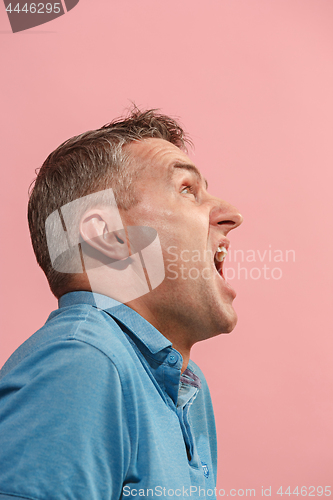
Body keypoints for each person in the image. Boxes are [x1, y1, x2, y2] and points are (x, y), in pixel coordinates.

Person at [0, 108, 242, 500]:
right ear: (107, 236)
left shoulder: (189, 389)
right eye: (186, 189)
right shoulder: (82, 361)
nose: (232, 216)